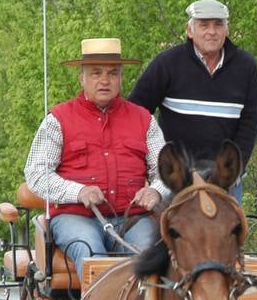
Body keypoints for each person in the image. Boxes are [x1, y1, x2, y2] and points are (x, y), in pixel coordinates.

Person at [24, 37, 168, 277]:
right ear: (82, 78)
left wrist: (156, 191)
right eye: (96, 73)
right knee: (91, 254)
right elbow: (36, 174)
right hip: (76, 218)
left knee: (151, 259)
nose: (104, 80)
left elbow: (166, 173)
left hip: (133, 220)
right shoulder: (58, 119)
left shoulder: (144, 120)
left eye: (112, 73)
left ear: (121, 78)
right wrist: (78, 192)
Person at [128, 0, 257, 201]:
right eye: (204, 24)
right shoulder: (168, 63)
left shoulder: (245, 67)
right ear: (190, 30)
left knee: (229, 231)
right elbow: (135, 114)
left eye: (218, 24)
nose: (212, 31)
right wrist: (147, 165)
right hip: (175, 176)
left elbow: (249, 124)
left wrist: (235, 169)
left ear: (227, 29)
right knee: (161, 232)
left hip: (223, 178)